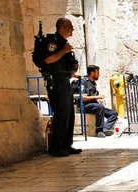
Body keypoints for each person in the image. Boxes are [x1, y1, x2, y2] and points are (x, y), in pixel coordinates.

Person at [41, 18, 81, 157]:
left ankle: (66, 145)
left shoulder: (63, 43)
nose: (72, 30)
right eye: (70, 26)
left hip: (65, 80)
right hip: (56, 82)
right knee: (61, 113)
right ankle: (57, 147)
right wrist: (63, 51)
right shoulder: (53, 42)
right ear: (62, 27)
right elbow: (48, 60)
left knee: (69, 113)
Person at [81, 65, 119, 138]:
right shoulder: (83, 82)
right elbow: (83, 97)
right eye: (97, 73)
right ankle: (99, 131)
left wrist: (97, 99)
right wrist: (97, 97)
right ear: (92, 73)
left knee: (113, 113)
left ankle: (106, 128)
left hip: (94, 105)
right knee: (100, 107)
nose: (99, 75)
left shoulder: (93, 83)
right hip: (85, 106)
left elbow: (93, 95)